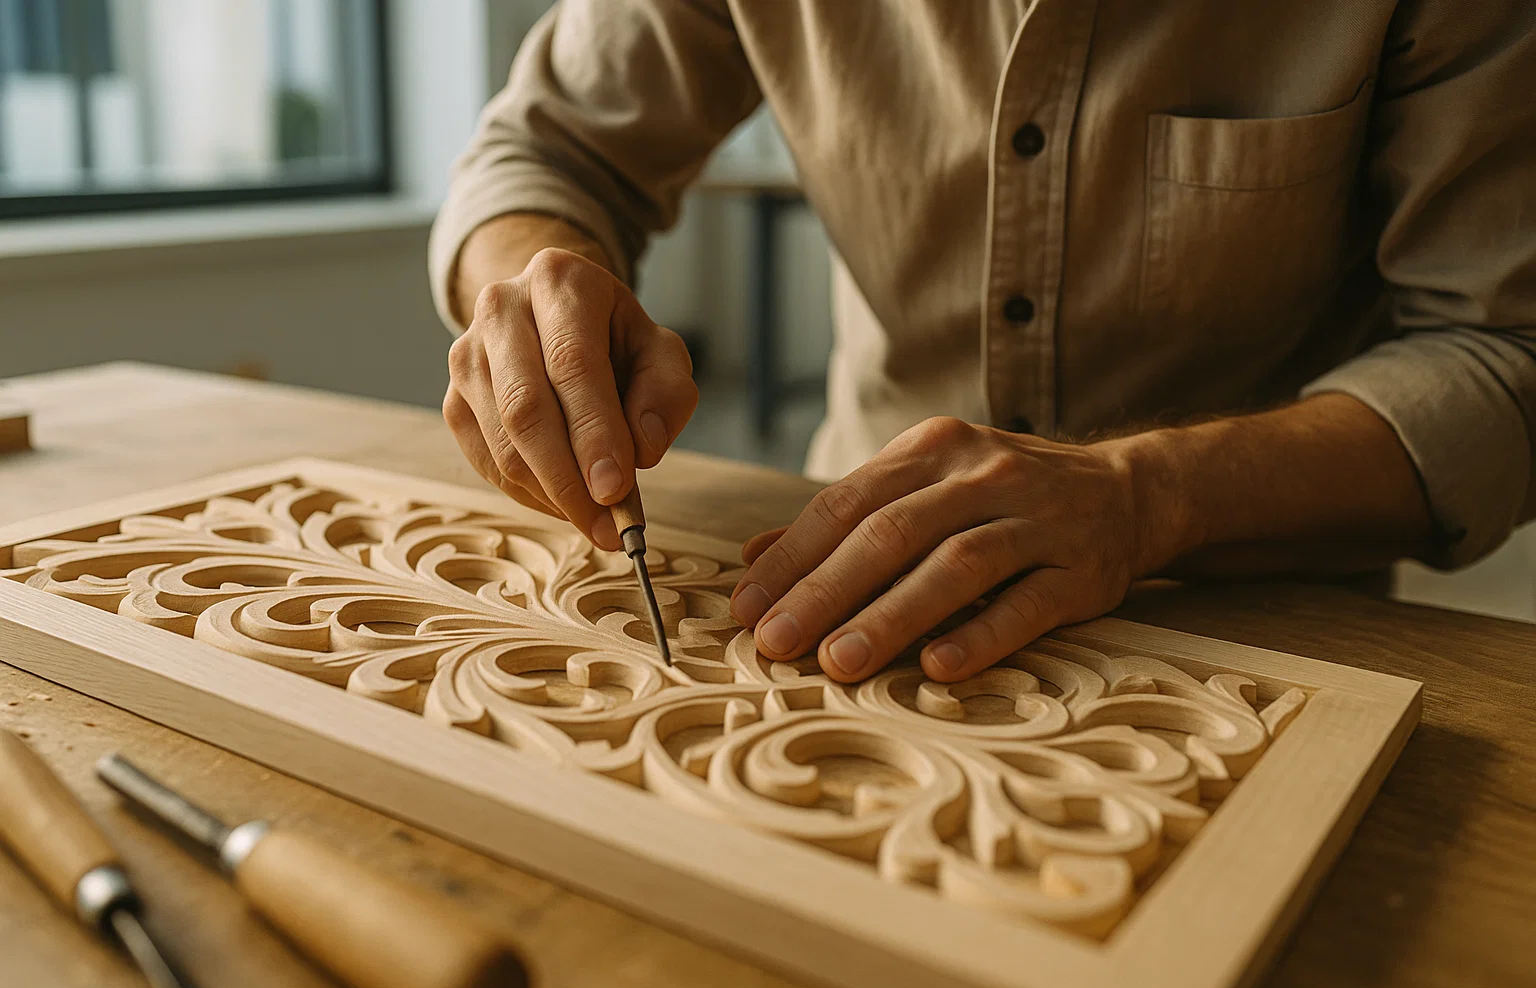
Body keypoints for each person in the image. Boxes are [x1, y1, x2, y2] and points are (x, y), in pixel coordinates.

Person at [428, 1, 1535, 685]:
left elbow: (1502, 356)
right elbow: (548, 151)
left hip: (1269, 629)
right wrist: (526, 281)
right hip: (829, 578)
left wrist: (1144, 494)